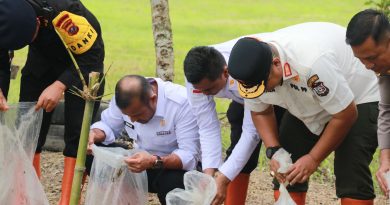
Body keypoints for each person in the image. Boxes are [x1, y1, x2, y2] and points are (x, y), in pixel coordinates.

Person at [227, 22, 379, 205]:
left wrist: (314, 158)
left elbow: (345, 114)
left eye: (264, 86)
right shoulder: (251, 76)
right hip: (305, 98)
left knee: (350, 168)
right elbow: (261, 112)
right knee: (288, 167)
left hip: (358, 94)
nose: (263, 92)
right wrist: (274, 150)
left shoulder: (311, 63)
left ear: (276, 64)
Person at [0, 0, 105, 204]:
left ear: (38, 22)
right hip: (40, 63)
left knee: (77, 133)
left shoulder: (67, 12)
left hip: (81, 64)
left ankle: (67, 199)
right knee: (28, 127)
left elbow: (94, 57)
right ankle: (28, 194)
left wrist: (60, 85)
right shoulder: (5, 12)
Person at [184, 46, 285, 205]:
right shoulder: (196, 78)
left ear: (226, 72)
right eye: (199, 90)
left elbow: (252, 132)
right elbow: (207, 126)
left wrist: (223, 179)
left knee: (283, 157)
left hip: (278, 92)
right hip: (244, 98)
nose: (204, 93)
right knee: (237, 152)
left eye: (209, 88)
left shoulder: (245, 70)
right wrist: (208, 174)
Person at [87, 75, 200, 204]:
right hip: (138, 162)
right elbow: (107, 124)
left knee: (172, 184)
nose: (133, 120)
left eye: (137, 114)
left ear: (153, 99)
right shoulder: (125, 98)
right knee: (92, 156)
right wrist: (94, 135)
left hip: (170, 167)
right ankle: (124, 200)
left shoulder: (181, 103)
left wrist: (153, 161)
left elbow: (189, 156)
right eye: (128, 116)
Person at [346, 9, 390, 198]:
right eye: (360, 59)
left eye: (371, 57)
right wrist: (386, 158)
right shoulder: (384, 70)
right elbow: (387, 110)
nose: (367, 65)